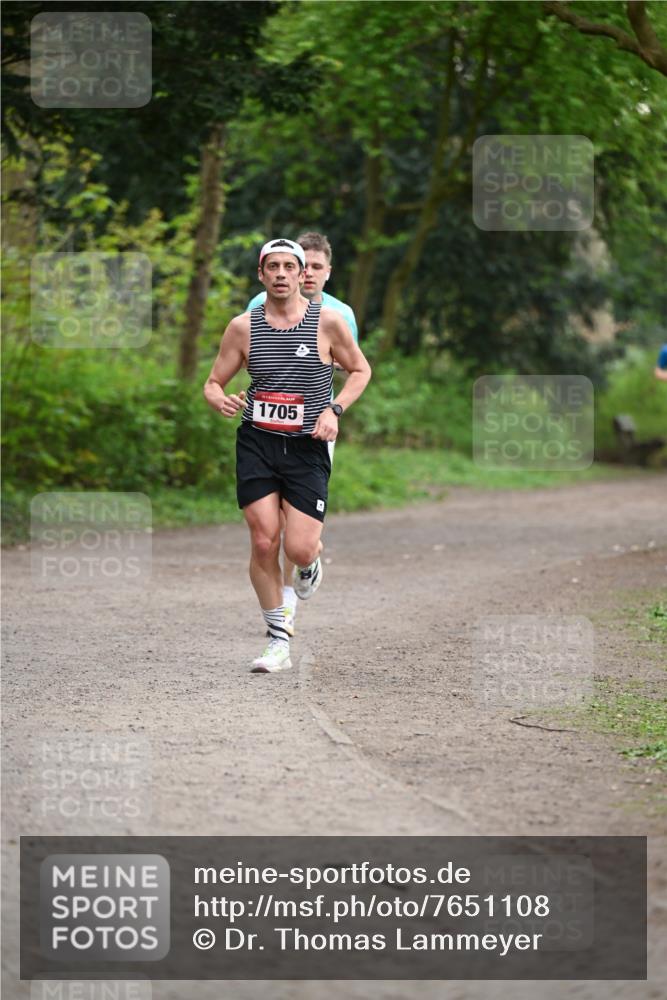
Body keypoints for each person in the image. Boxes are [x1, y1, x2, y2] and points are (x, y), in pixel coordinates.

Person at [204, 238, 371, 674]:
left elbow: (360, 370)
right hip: (257, 441)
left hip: (307, 445)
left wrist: (335, 410)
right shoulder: (243, 326)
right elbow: (213, 381)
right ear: (261, 276)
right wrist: (218, 398)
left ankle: (311, 562)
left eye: (289, 267)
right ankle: (278, 640)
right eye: (272, 267)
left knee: (297, 549)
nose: (281, 274)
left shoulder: (329, 322)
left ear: (303, 275)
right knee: (263, 540)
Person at [247, 232, 358, 634]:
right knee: (268, 531)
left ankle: (304, 567)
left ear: (326, 272)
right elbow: (256, 356)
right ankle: (283, 608)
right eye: (300, 264)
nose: (305, 273)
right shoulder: (258, 308)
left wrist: (334, 409)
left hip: (313, 428)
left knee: (298, 534)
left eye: (313, 267)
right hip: (264, 432)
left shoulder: (338, 315)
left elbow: (350, 368)